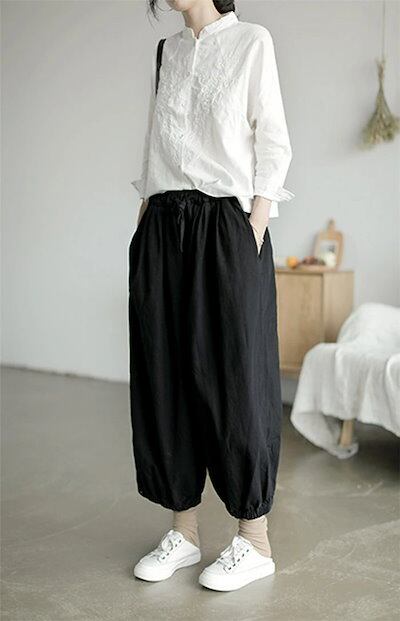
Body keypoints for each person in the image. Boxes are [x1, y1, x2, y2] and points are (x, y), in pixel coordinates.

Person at [128, 0, 294, 592]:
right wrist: (144, 219)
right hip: (161, 224)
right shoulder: (167, 52)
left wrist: (254, 225)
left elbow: (272, 139)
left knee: (236, 377)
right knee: (166, 375)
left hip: (225, 225)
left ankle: (255, 540)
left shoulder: (251, 41)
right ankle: (184, 531)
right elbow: (156, 142)